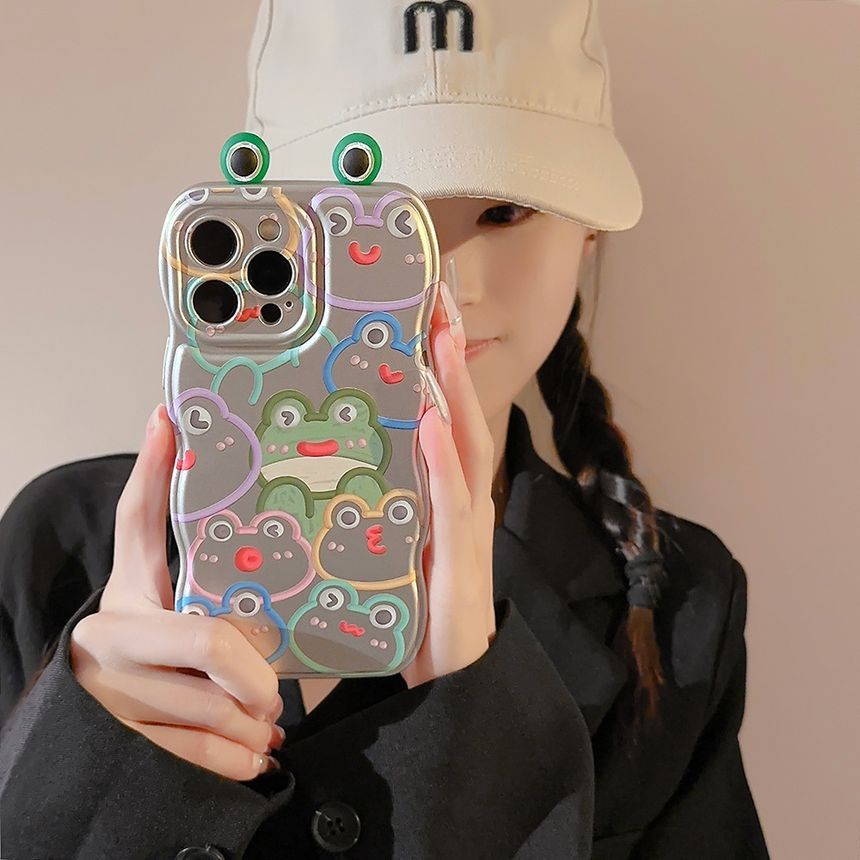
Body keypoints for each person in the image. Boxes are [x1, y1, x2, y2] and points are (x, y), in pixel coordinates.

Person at [0, 1, 770, 857]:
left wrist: (477, 740)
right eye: (379, 222)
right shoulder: (57, 552)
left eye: (506, 211)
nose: (446, 286)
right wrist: (86, 772)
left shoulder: (679, 607)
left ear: (588, 230)